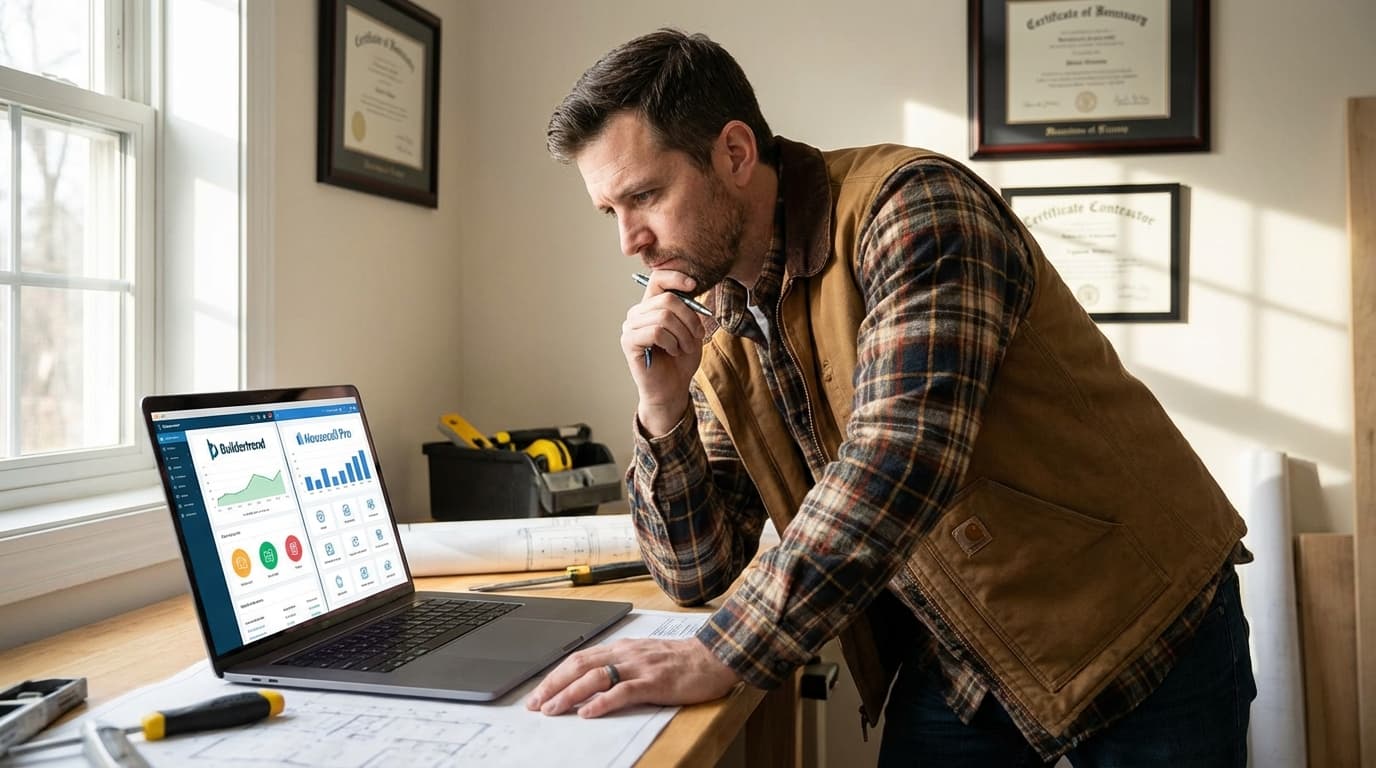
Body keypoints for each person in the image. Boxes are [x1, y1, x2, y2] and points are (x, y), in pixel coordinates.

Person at [526, 28, 1256, 765]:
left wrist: (725, 653)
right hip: (960, 655)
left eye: (644, 196)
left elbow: (900, 457)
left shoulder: (913, 208)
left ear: (736, 153)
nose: (630, 242)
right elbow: (697, 572)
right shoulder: (715, 310)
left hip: (1140, 627)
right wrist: (662, 409)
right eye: (609, 212)